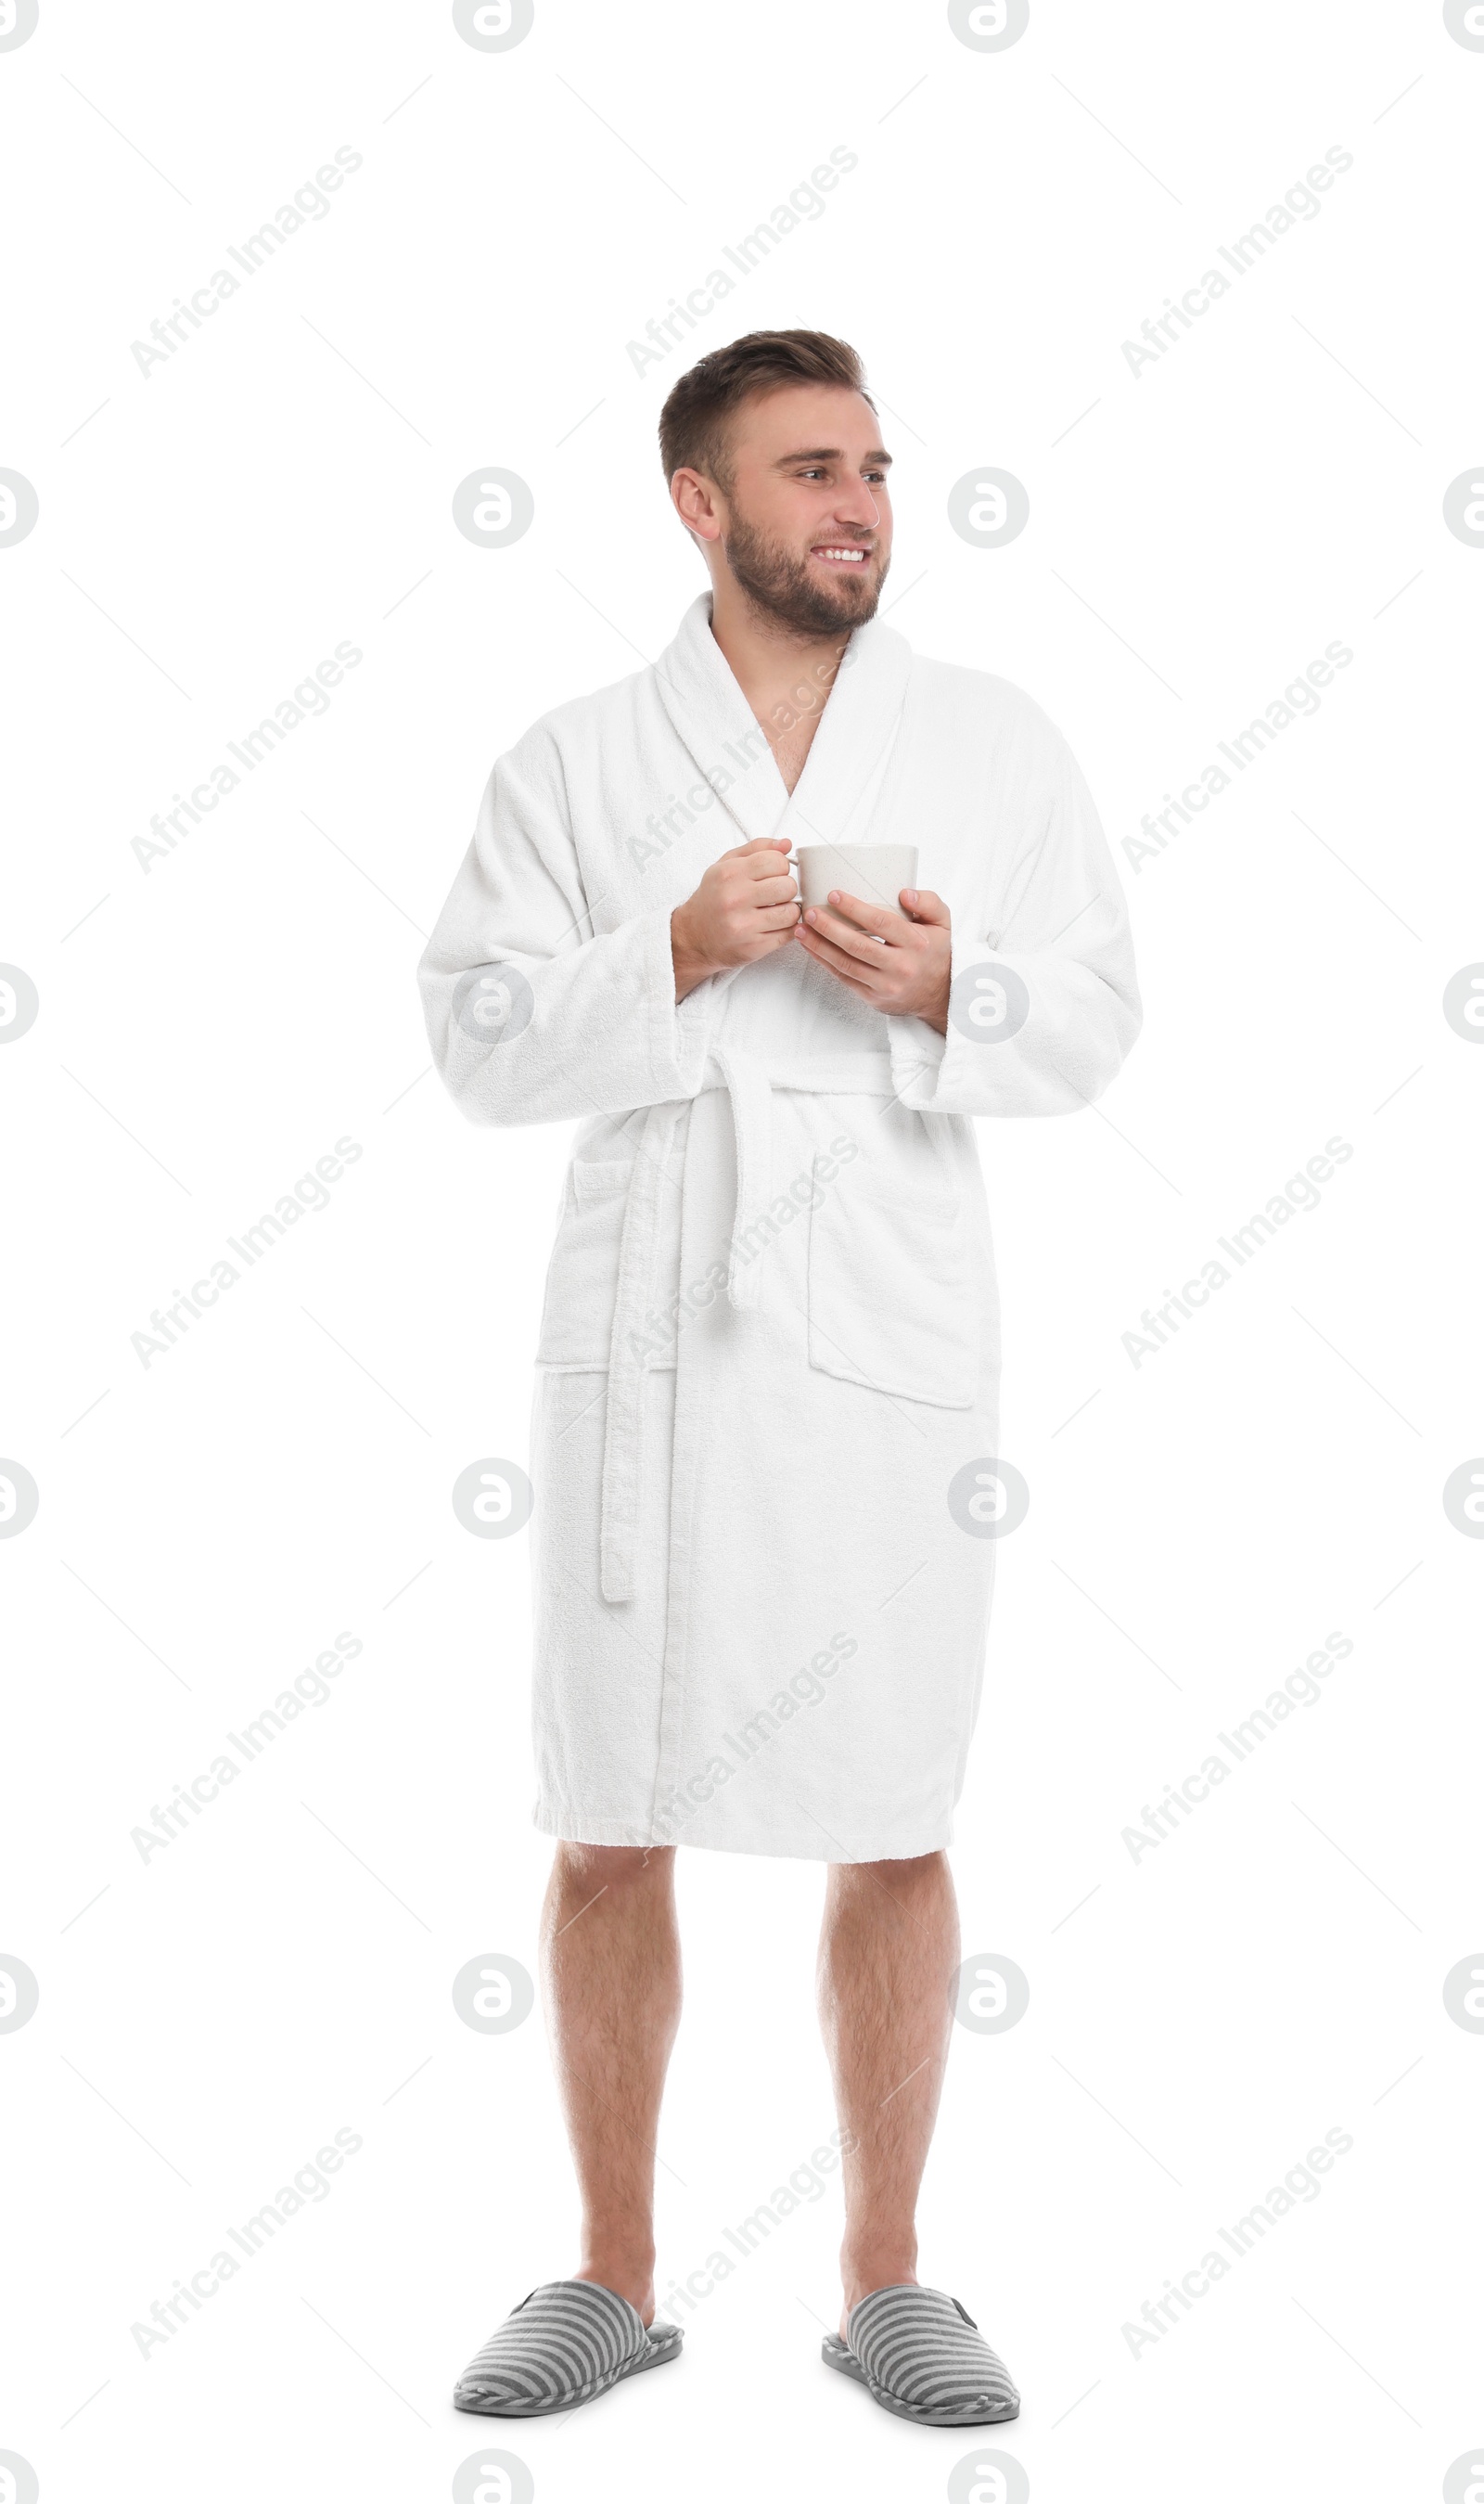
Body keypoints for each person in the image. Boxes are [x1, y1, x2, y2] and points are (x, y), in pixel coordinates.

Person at [418, 328, 1141, 2426]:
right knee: (605, 1812)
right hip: (649, 1342)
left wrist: (956, 986)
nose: (856, 505)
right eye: (808, 470)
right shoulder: (572, 759)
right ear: (698, 506)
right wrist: (662, 953)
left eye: (876, 468)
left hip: (882, 1340)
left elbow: (1092, 1019)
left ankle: (886, 2279)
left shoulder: (989, 742)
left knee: (893, 1808)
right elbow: (469, 1040)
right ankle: (613, 2275)